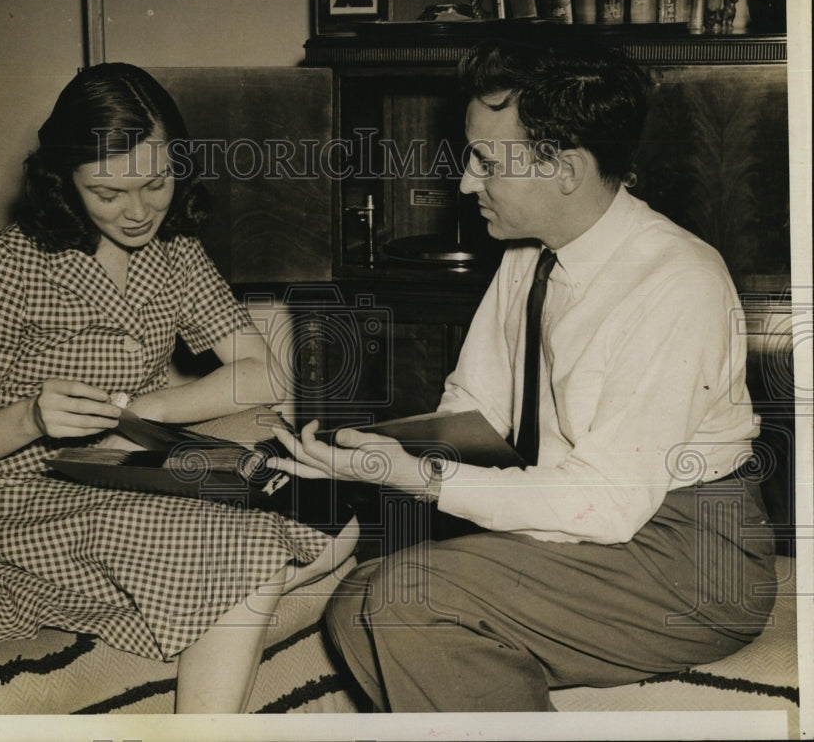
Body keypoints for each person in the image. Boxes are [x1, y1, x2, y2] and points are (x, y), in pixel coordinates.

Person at [269, 38, 777, 711]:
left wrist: (414, 477)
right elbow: (471, 407)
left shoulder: (676, 278)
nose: (464, 183)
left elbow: (606, 501)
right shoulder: (528, 259)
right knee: (356, 603)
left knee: (405, 598)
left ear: (563, 167)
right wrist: (356, 461)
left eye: (484, 160)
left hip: (695, 555)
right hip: (592, 534)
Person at [0, 62, 356, 713]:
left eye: (156, 181)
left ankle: (188, 599)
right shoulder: (3, 266)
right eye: (107, 192)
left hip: (123, 463)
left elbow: (262, 372)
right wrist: (32, 418)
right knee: (246, 548)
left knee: (345, 514)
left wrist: (145, 407)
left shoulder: (173, 251)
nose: (139, 210)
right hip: (9, 493)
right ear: (63, 178)